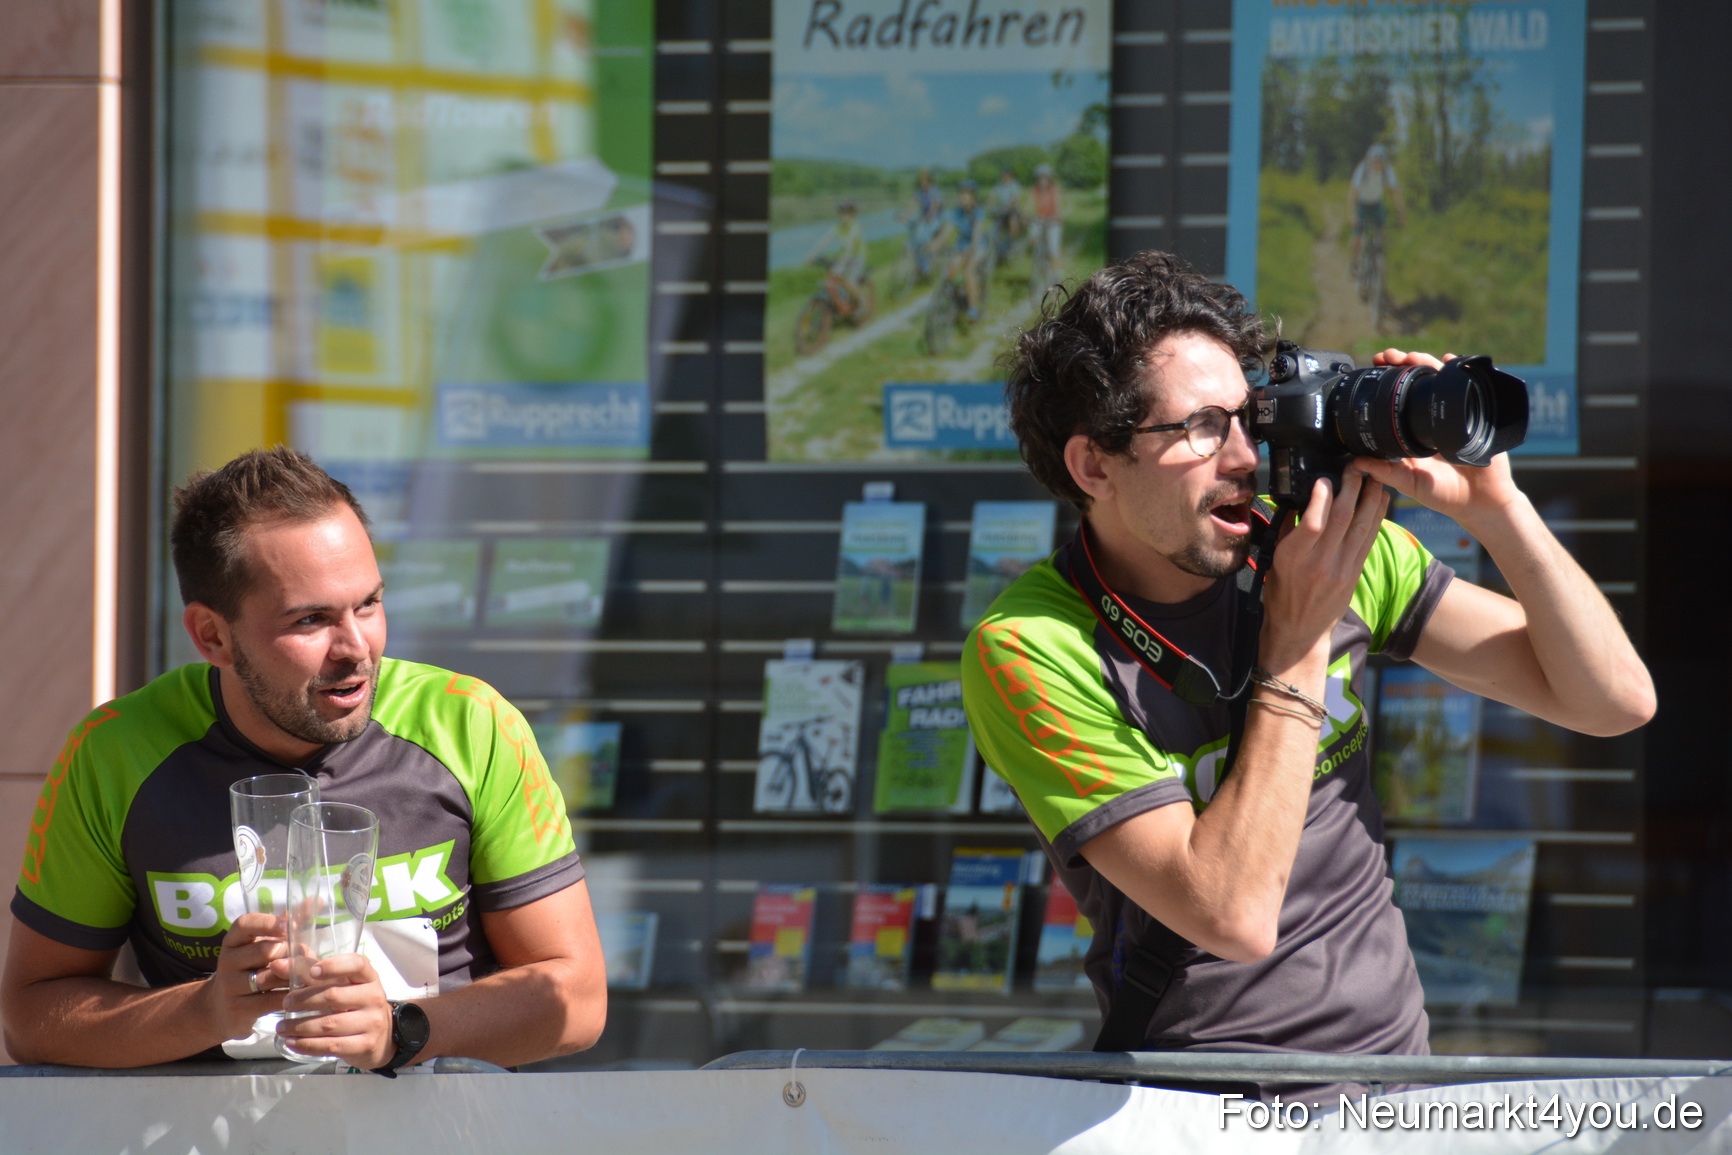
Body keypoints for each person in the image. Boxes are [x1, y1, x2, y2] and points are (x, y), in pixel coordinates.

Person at [961, 251, 1654, 1097]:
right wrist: (1298, 640)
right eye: (1202, 427)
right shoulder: (1030, 647)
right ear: (1094, 467)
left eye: (1249, 417)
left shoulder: (1312, 548)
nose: (1246, 456)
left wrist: (1498, 510)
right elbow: (1234, 914)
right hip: (1203, 1110)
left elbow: (1614, 699)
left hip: (1401, 1091)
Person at [3, 447, 607, 1071]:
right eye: (311, 619)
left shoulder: (468, 722)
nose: (355, 649)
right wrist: (206, 1010)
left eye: (368, 604)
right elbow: (31, 1015)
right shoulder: (114, 753)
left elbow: (577, 998)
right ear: (213, 636)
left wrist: (403, 1031)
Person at [932, 179, 988, 321]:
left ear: (973, 196)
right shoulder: (956, 212)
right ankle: (954, 297)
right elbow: (947, 231)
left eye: (966, 195)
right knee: (951, 269)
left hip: (978, 246)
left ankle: (973, 308)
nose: (962, 197)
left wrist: (972, 249)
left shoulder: (978, 211)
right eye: (961, 194)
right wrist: (935, 245)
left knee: (969, 271)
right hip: (962, 245)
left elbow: (977, 232)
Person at [1348, 142, 1406, 274]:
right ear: (1370, 160)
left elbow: (1396, 193)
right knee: (1357, 236)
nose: (1377, 165)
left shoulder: (1388, 171)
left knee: (1382, 233)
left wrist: (1401, 216)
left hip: (1376, 203)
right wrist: (1351, 215)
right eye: (1375, 162)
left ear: (1384, 162)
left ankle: (1378, 266)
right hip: (1362, 204)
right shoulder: (1362, 169)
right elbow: (1353, 193)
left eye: (1380, 162)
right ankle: (1353, 263)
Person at [804, 198, 870, 313]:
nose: (843, 216)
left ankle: (862, 302)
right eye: (841, 213)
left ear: (852, 214)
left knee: (850, 282)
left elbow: (852, 246)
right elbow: (824, 240)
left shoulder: (855, 227)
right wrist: (811, 254)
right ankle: (841, 305)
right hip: (845, 257)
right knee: (830, 282)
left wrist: (844, 259)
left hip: (857, 257)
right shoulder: (837, 227)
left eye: (846, 213)